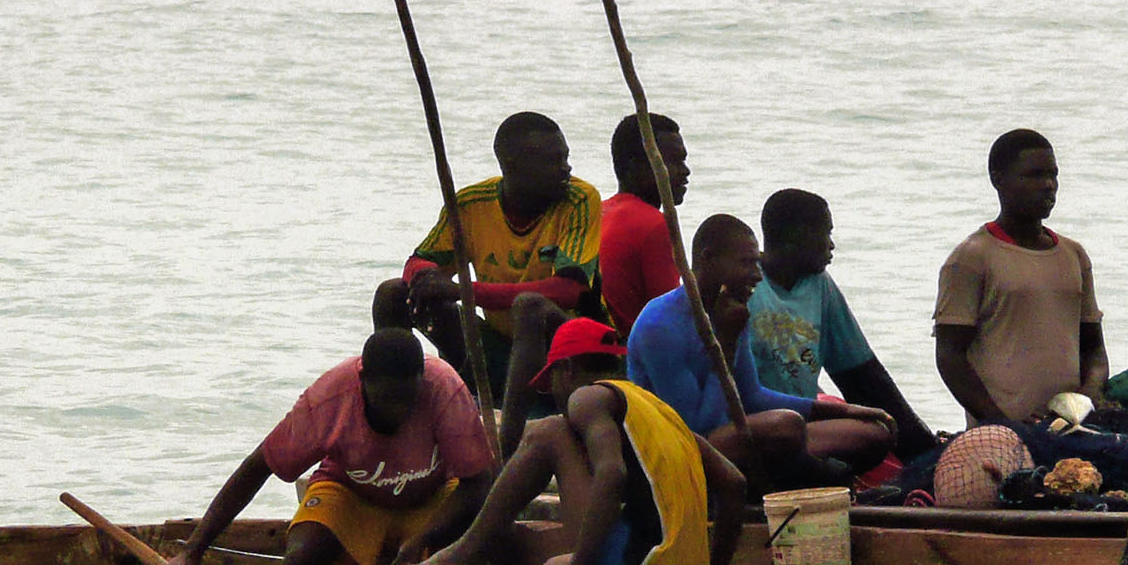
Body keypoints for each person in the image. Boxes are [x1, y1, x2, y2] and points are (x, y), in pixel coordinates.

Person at [405, 317, 748, 565]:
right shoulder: (658, 411)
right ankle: (477, 554)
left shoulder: (587, 397)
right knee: (518, 542)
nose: (554, 393)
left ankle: (460, 557)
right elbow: (734, 483)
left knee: (549, 431)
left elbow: (612, 474)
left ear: (566, 370)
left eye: (551, 381)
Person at [164, 330, 495, 565]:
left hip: (432, 497)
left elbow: (478, 483)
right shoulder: (329, 399)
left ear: (422, 381)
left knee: (492, 549)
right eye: (387, 400)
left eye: (407, 401)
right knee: (300, 560)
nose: (399, 413)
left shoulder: (446, 390)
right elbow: (258, 466)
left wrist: (425, 537)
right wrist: (193, 551)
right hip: (350, 494)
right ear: (363, 380)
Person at [377, 111, 603, 455]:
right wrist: (424, 278)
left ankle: (505, 449)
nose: (566, 169)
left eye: (566, 158)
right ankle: (397, 424)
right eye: (554, 161)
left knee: (531, 308)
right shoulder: (472, 203)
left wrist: (463, 292)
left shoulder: (579, 200)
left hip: (564, 354)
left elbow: (569, 289)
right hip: (499, 349)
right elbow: (419, 260)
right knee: (393, 294)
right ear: (514, 166)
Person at [629, 214, 896, 482]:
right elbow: (697, 427)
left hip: (735, 437)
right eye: (746, 264)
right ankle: (826, 480)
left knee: (872, 433)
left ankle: (817, 477)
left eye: (757, 264)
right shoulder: (660, 326)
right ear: (708, 259)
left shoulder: (730, 311)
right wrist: (726, 346)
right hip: (685, 448)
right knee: (785, 427)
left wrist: (843, 410)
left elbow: (752, 396)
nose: (757, 276)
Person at [933, 129, 1108, 427]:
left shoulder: (1074, 255)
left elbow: (1094, 350)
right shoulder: (971, 258)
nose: (1049, 185)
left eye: (1053, 175)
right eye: (1034, 175)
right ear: (998, 179)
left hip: (1070, 427)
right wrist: (1002, 422)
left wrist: (1083, 400)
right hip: (1001, 435)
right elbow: (950, 358)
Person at [749, 188, 939, 460]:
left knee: (876, 433)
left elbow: (863, 377)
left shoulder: (820, 285)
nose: (831, 244)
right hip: (755, 427)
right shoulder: (748, 284)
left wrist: (924, 446)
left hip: (801, 424)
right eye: (825, 233)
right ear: (797, 236)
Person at [598, 112, 689, 330]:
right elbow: (669, 320)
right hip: (628, 355)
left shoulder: (598, 211)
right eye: (674, 161)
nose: (685, 171)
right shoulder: (653, 224)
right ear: (635, 166)